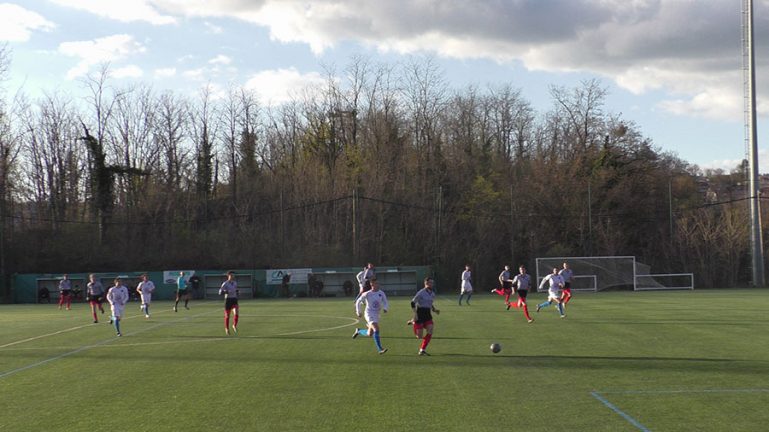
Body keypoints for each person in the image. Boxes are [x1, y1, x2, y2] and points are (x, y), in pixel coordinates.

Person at [352, 277, 389, 354]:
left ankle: (359, 331)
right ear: (371, 284)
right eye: (376, 283)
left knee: (370, 333)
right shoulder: (367, 293)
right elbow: (358, 301)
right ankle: (380, 349)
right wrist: (358, 312)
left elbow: (385, 301)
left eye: (378, 283)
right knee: (376, 329)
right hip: (369, 313)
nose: (378, 285)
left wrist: (385, 308)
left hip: (376, 314)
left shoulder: (381, 293)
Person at [411, 277, 440, 356]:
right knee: (419, 337)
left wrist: (434, 310)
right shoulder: (421, 292)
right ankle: (414, 322)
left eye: (432, 283)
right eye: (430, 282)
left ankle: (422, 349)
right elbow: (412, 302)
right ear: (426, 283)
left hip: (427, 315)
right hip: (420, 314)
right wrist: (415, 314)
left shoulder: (433, 294)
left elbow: (430, 304)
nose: (431, 284)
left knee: (430, 331)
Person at [219, 271, 239, 336]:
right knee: (227, 316)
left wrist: (237, 291)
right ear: (228, 276)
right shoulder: (225, 283)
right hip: (228, 300)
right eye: (231, 275)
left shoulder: (235, 283)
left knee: (236, 312)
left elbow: (236, 289)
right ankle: (227, 329)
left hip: (234, 299)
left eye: (233, 275)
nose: (233, 276)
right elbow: (220, 292)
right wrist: (226, 291)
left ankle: (234, 325)